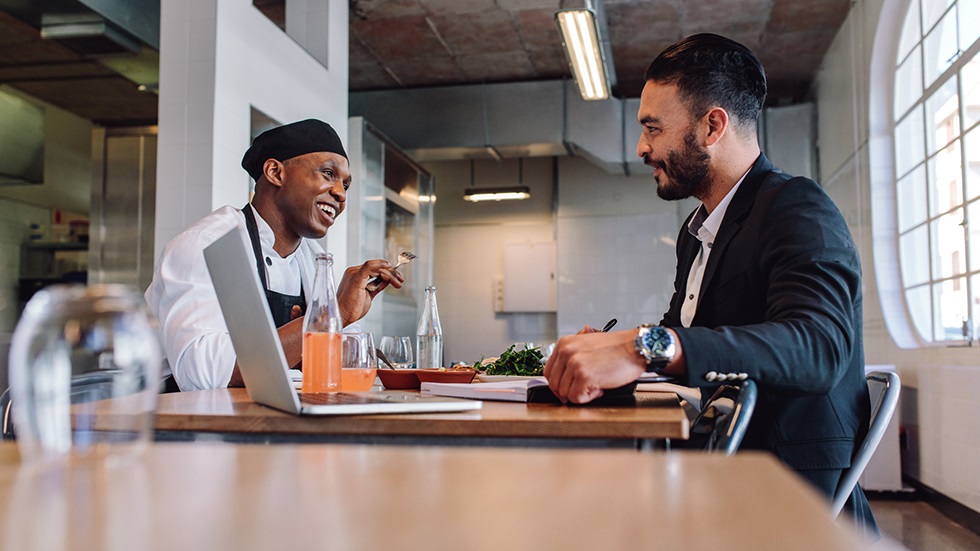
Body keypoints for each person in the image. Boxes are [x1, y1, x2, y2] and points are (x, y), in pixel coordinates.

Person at [543, 34, 876, 533]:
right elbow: (687, 338)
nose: (642, 148)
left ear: (713, 125)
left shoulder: (796, 207)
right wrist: (614, 351)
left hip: (786, 479)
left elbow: (819, 347)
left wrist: (643, 347)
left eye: (653, 128)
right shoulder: (698, 230)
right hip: (726, 454)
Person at [145, 119, 404, 391]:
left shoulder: (314, 259)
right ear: (274, 172)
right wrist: (332, 314)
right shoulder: (207, 246)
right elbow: (201, 374)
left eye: (346, 185)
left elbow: (346, 367)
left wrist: (342, 318)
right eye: (328, 173)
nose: (340, 194)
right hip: (186, 422)